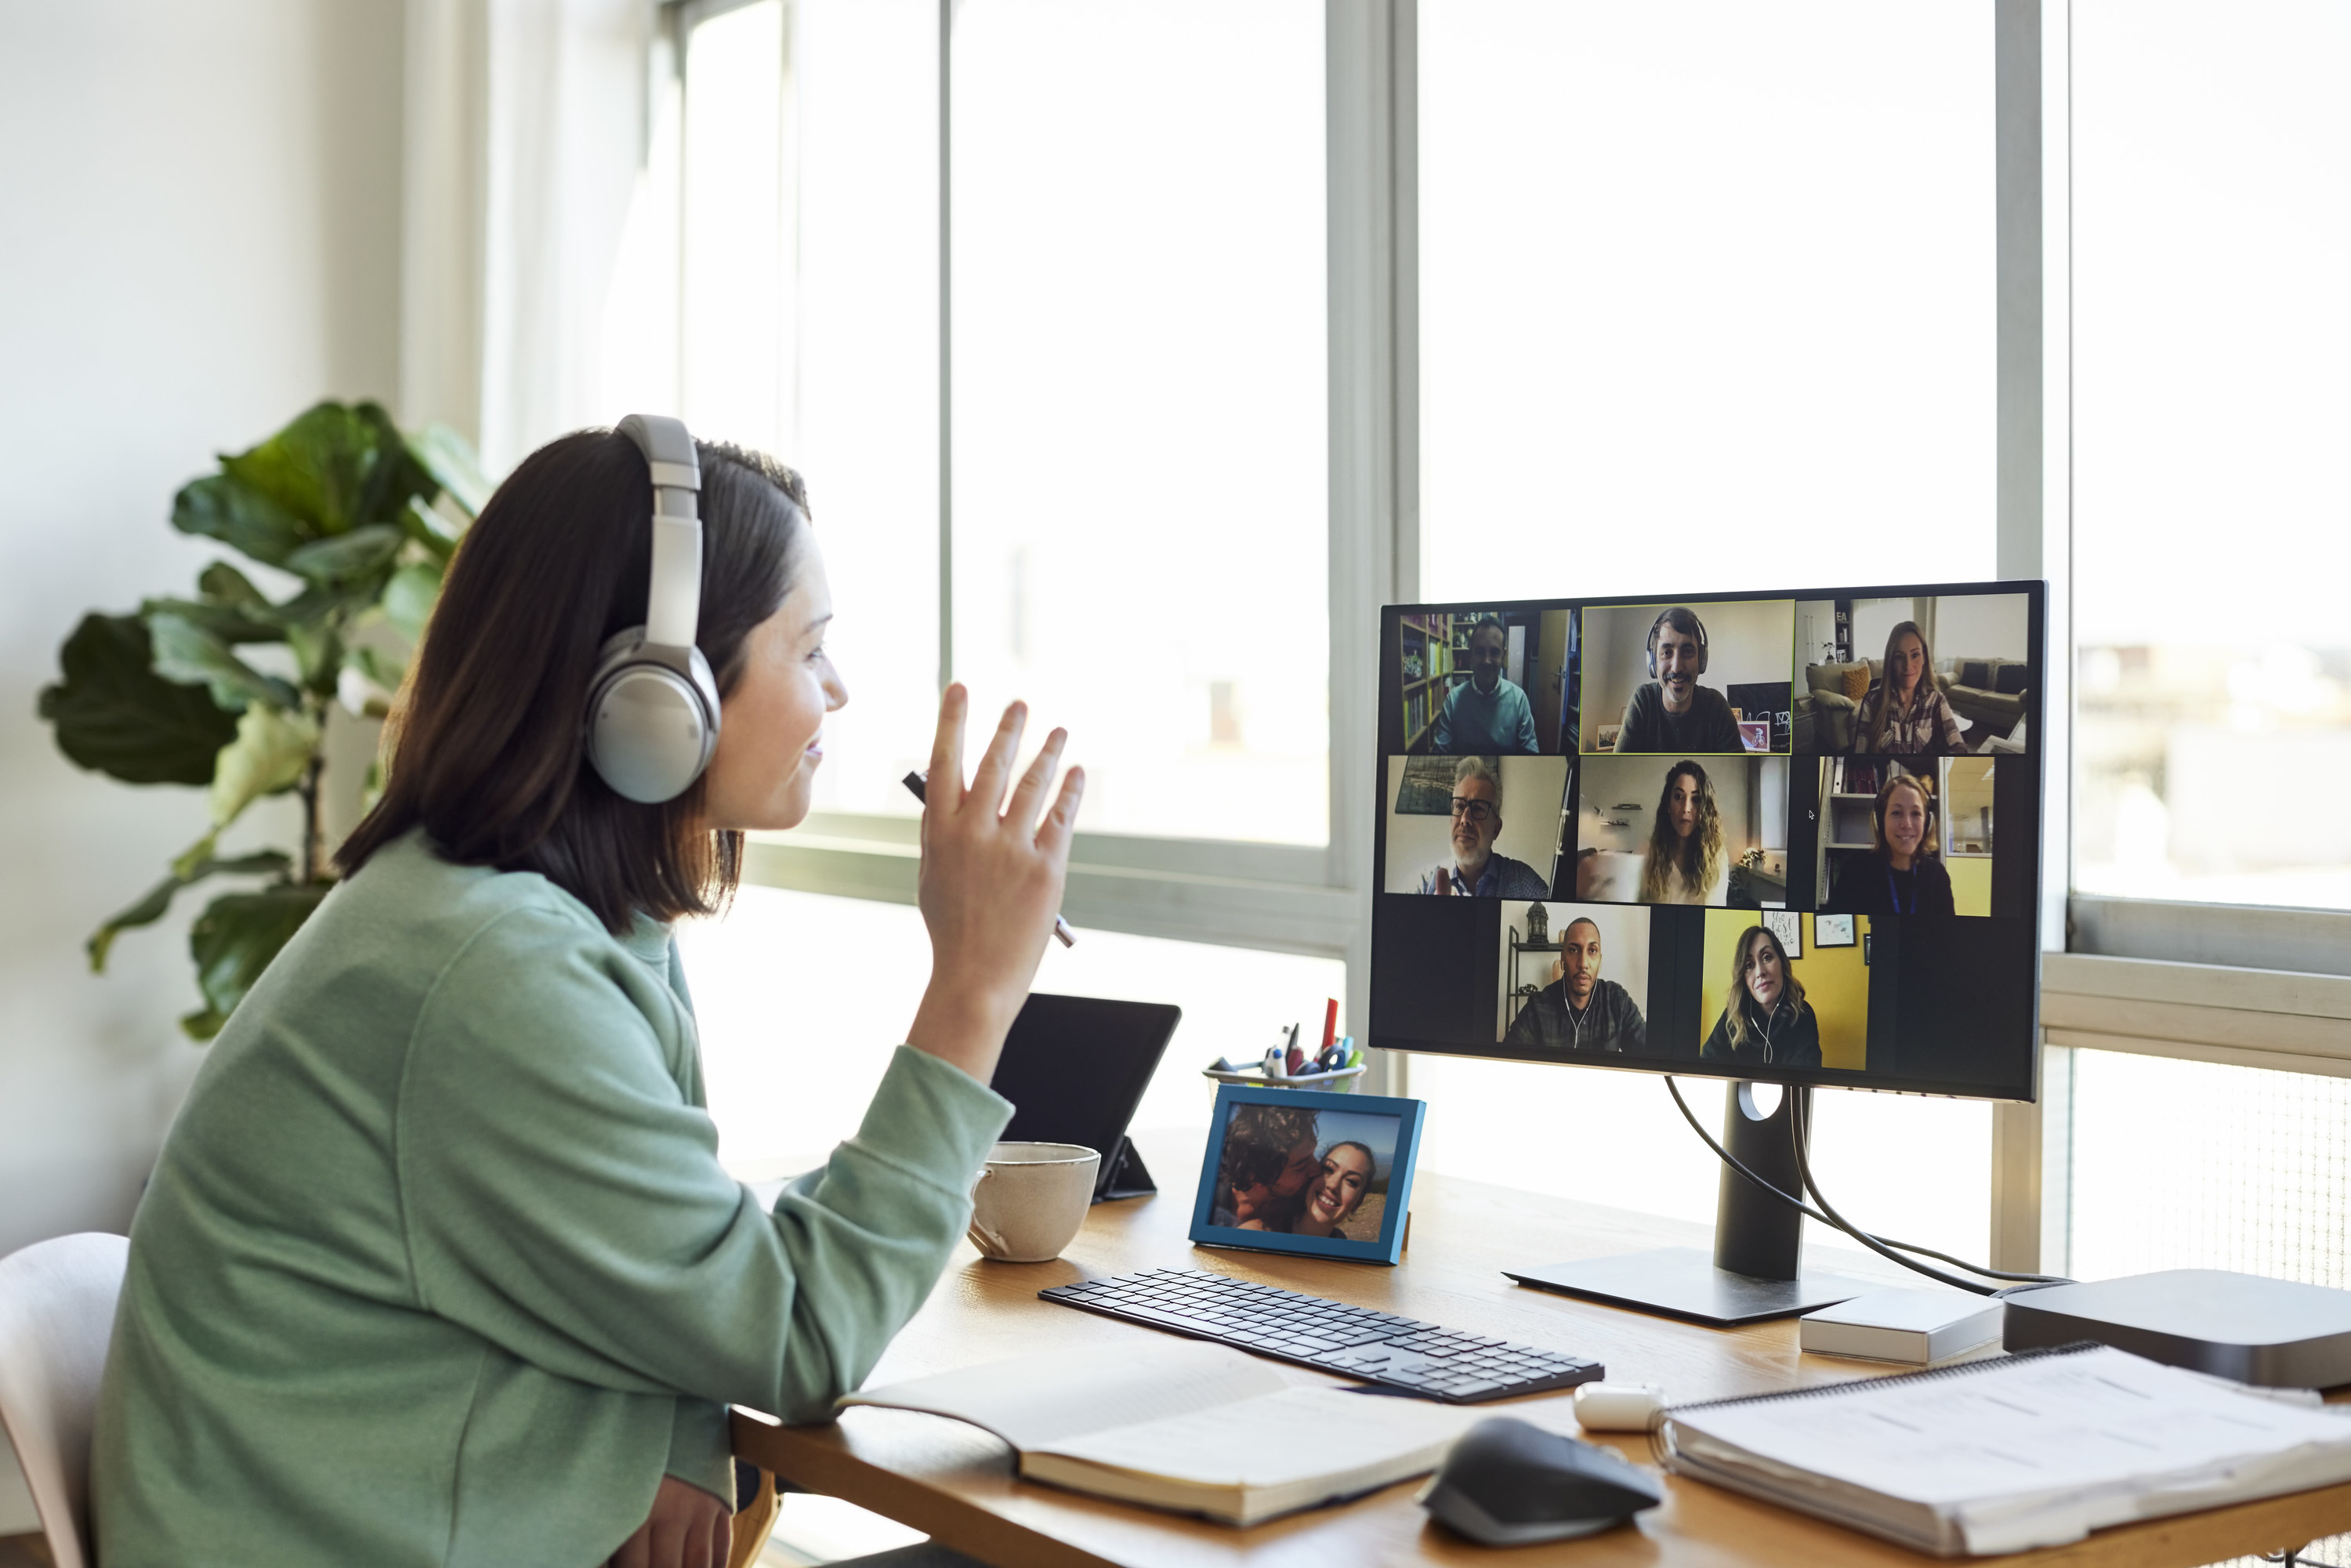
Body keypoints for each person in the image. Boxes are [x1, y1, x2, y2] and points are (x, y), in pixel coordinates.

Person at [92, 425, 1085, 1568]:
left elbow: (665, 1249)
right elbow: (803, 1331)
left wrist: (674, 1430)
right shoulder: (494, 973)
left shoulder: (527, 916)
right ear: (662, 692)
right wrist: (973, 983)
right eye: (809, 649)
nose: (840, 692)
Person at [1503, 916, 1647, 1053]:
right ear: (1563, 959)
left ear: (1600, 961)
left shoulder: (1618, 1001)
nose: (1583, 963)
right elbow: (1507, 1061)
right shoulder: (1538, 1007)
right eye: (1574, 950)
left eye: (1592, 951)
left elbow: (1650, 1052)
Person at [1614, 607, 1744, 754]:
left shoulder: (1717, 706)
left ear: (1701, 660)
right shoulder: (1643, 702)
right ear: (1653, 661)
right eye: (1667, 653)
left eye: (1687, 651)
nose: (1676, 668)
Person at [1418, 756, 1552, 898]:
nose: (1465, 819)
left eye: (1478, 809)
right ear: (1451, 820)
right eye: (1459, 806)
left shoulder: (1523, 880)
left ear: (1496, 828)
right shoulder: (1424, 883)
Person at [1826, 772, 1956, 915]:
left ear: (1927, 822)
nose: (1906, 824)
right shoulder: (1855, 869)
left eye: (1915, 813)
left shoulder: (1937, 875)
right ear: (1881, 821)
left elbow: (1947, 934)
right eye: (1896, 813)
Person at [1701, 925, 1822, 1067]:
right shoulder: (1733, 1017)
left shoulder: (1803, 1014)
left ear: (1782, 964)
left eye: (1767, 957)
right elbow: (1705, 1070)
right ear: (1744, 979)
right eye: (1749, 965)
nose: (1760, 972)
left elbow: (1804, 1081)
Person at [1852, 619, 1966, 755]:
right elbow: (1859, 753)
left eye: (1915, 655)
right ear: (1891, 662)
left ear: (1924, 658)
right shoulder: (1872, 701)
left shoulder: (1937, 701)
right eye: (1899, 657)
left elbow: (1959, 747)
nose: (1908, 665)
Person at [1433, 616, 1540, 755]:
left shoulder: (1519, 700)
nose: (1487, 661)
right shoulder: (1453, 701)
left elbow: (1530, 755)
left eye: (1495, 652)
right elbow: (1439, 754)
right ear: (1470, 655)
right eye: (1480, 651)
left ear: (1504, 655)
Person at [1213, 1104, 1322, 1230]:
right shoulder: (1211, 1208)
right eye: (1301, 1166)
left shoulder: (1305, 1199)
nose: (1317, 1169)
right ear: (1255, 1179)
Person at [1637, 760, 1726, 904]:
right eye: (1679, 797)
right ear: (1668, 804)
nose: (1686, 808)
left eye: (1696, 799)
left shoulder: (1718, 858)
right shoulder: (1647, 853)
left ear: (1705, 808)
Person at [1285, 1142, 1377, 1238]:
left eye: (1351, 1181)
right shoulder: (1270, 1229)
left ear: (1358, 1203)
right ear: (1314, 1172)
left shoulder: (1341, 1244)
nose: (1333, 1185)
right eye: (1329, 1169)